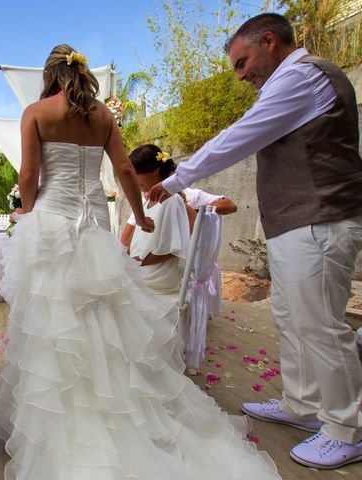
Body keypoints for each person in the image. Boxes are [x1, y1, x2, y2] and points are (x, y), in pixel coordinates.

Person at [0, 44, 280, 479]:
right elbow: (125, 169)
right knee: (102, 316)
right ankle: (114, 401)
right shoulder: (103, 117)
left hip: (51, 224)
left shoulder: (36, 112)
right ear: (82, 74)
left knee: (54, 319)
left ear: (50, 74)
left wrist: (26, 212)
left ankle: (61, 412)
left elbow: (29, 177)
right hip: (93, 228)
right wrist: (140, 213)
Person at [149, 13, 362, 470]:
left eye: (242, 62)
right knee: (290, 317)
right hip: (296, 224)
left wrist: (175, 179)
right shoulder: (290, 83)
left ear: (269, 41)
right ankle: (302, 405)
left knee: (322, 325)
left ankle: (348, 429)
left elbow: (238, 137)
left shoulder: (303, 77)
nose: (240, 75)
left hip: (320, 221)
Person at [120, 144, 190, 294]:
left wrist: (138, 261)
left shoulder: (172, 200)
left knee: (115, 288)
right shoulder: (147, 202)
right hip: (144, 266)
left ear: (155, 170)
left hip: (159, 272)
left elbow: (172, 250)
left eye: (136, 173)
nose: (134, 180)